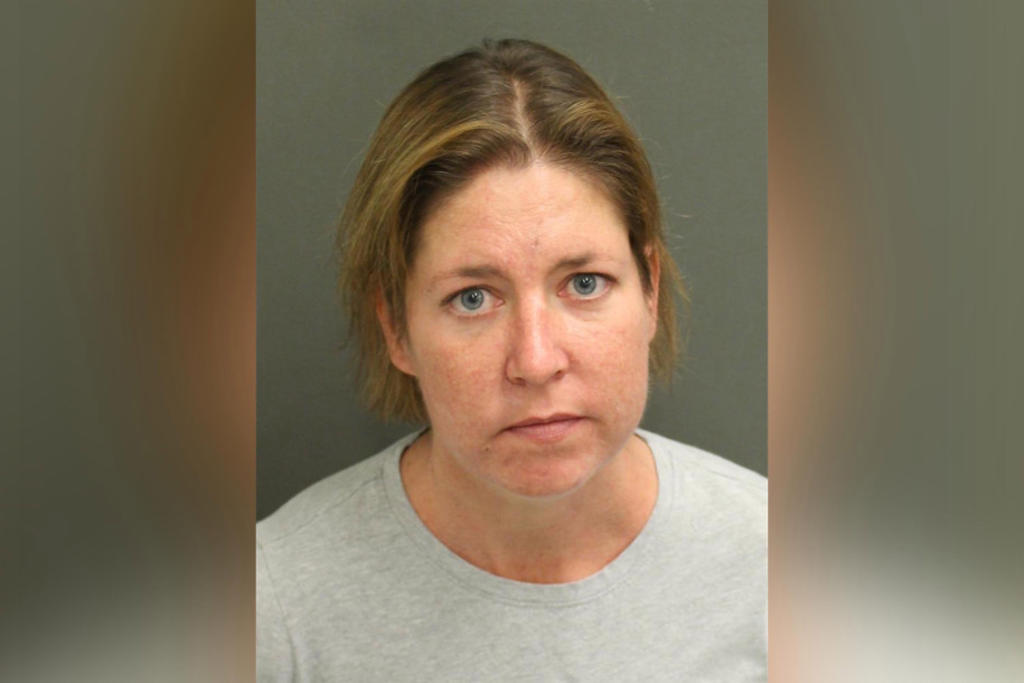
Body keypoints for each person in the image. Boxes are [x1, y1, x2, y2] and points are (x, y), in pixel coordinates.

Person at [257, 39, 766, 681]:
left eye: (584, 283)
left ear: (650, 291)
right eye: (473, 298)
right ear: (396, 328)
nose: (535, 360)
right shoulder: (275, 609)